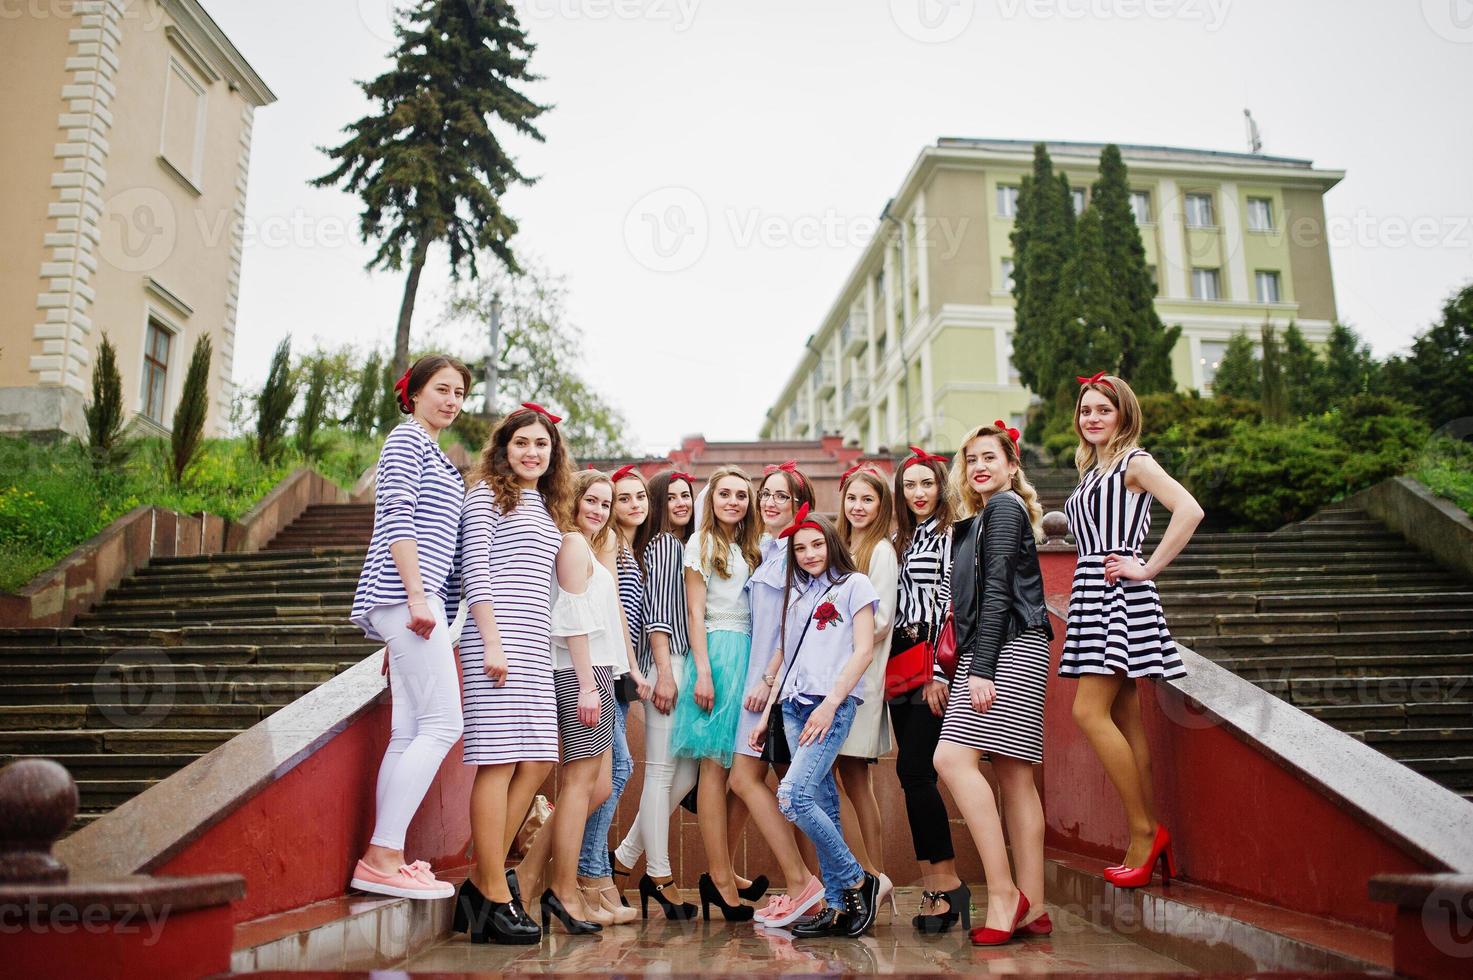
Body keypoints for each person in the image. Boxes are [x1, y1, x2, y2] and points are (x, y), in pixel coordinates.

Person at [1060, 373, 1203, 888]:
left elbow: (1190, 510)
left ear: (1123, 414)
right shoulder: (1091, 469)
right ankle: (1142, 836)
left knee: (1087, 710)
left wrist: (1147, 567)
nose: (1093, 417)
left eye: (1104, 409)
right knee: (1126, 718)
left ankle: (1146, 831)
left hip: (1118, 591)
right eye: (1086, 410)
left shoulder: (1134, 462)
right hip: (1092, 593)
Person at [348, 355, 471, 902]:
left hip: (412, 609)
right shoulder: (406, 441)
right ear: (414, 393)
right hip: (406, 600)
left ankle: (384, 855)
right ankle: (382, 856)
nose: (452, 400)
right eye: (441, 389)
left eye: (460, 393)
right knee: (444, 725)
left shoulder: (435, 454)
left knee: (409, 732)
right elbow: (396, 517)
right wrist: (418, 599)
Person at [451, 402, 573, 945]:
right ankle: (495, 894)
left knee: (541, 757)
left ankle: (481, 883)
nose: (532, 452)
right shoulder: (484, 496)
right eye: (522, 443)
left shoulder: (546, 506)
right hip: (495, 640)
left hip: (534, 645)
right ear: (504, 448)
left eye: (541, 445)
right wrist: (492, 644)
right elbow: (475, 571)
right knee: (497, 759)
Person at [933, 421, 1053, 946]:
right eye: (972, 459)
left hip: (1006, 646)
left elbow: (998, 586)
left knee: (950, 759)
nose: (980, 466)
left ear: (1011, 465)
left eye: (990, 457)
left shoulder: (1002, 509)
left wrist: (980, 667)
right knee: (1014, 777)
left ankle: (1005, 893)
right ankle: (1037, 906)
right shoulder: (986, 516)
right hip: (1013, 641)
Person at [749, 507, 880, 939]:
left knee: (792, 795)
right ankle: (840, 905)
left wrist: (831, 704)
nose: (808, 554)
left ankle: (858, 879)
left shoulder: (854, 585)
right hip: (791, 706)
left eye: (816, 544)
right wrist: (766, 714)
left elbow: (863, 650)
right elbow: (784, 656)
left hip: (830, 704)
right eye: (799, 548)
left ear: (832, 543)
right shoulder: (797, 593)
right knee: (821, 802)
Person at [729, 462, 824, 928]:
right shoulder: (767, 548)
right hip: (762, 686)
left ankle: (804, 883)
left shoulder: (798, 551)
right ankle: (811, 889)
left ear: (799, 503)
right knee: (792, 790)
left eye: (780, 496)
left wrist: (767, 683)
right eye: (764, 493)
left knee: (747, 781)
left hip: (778, 689)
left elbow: (797, 626)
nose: (768, 502)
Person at [670, 465, 762, 922]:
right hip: (719, 655)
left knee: (747, 768)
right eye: (724, 493)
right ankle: (721, 877)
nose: (733, 501)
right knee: (714, 768)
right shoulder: (700, 544)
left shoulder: (750, 546)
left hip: (751, 654)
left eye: (741, 495)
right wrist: (703, 671)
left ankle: (721, 867)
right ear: (712, 499)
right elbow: (695, 611)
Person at [612, 471, 700, 919]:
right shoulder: (666, 545)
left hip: (680, 663)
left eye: (688, 495)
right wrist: (665, 671)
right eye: (673, 496)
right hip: (666, 664)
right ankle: (660, 876)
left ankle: (624, 860)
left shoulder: (684, 545)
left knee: (683, 776)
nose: (681, 502)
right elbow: (658, 613)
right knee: (663, 774)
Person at [888, 447, 965, 932]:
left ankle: (947, 886)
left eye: (926, 484)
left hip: (931, 663)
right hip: (899, 663)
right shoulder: (901, 538)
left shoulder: (952, 534)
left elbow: (950, 602)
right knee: (912, 775)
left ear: (940, 487)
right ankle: (934, 885)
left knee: (917, 771)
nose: (918, 493)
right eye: (910, 486)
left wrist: (941, 672)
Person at [576, 465, 652, 923]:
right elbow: (611, 610)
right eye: (614, 499)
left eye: (631, 497)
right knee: (614, 769)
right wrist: (633, 667)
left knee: (614, 771)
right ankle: (589, 873)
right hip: (599, 668)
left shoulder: (620, 544)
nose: (626, 506)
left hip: (612, 668)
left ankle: (594, 876)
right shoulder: (600, 541)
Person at [833, 464, 897, 910]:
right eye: (852, 498)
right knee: (847, 775)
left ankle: (872, 874)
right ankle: (868, 875)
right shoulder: (840, 545)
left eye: (867, 500)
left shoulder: (881, 551)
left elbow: (881, 618)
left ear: (880, 506)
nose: (858, 507)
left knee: (856, 776)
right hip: (834, 674)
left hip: (861, 676)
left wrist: (832, 634)